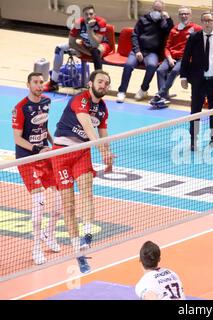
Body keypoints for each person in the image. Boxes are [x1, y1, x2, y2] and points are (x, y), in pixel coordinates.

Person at [51, 70, 114, 274]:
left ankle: (87, 236)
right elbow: (89, 131)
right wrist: (102, 152)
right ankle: (78, 251)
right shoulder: (81, 100)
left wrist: (108, 154)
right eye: (100, 81)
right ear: (90, 83)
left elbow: (103, 135)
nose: (104, 85)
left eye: (107, 83)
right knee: (68, 206)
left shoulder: (103, 109)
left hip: (81, 153)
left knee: (87, 191)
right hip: (62, 153)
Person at [12, 72, 62, 265]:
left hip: (45, 155)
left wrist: (54, 144)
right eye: (36, 82)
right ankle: (36, 248)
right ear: (28, 84)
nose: (40, 85)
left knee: (60, 199)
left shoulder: (47, 102)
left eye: (42, 82)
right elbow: (17, 139)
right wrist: (36, 148)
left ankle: (49, 234)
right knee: (39, 200)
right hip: (27, 158)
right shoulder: (20, 108)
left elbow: (43, 126)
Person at [180, 11, 213, 151]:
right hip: (198, 82)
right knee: (195, 112)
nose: (207, 23)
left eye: (210, 20)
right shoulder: (194, 37)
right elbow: (186, 58)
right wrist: (183, 77)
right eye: (205, 21)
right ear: (201, 23)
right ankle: (193, 141)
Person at [44, 4, 111, 92]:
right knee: (59, 48)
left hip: (102, 45)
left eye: (91, 14)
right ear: (83, 16)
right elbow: (71, 42)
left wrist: (89, 29)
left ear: (95, 15)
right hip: (85, 45)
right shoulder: (78, 23)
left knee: (95, 52)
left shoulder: (101, 22)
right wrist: (79, 50)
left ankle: (98, 85)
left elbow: (95, 44)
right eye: (86, 14)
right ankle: (53, 83)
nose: (89, 16)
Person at [116, 1, 173, 103]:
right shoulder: (143, 19)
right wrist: (137, 51)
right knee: (128, 65)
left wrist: (168, 18)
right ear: (152, 8)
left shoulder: (163, 23)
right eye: (155, 9)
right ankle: (122, 91)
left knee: (152, 66)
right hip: (137, 51)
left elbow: (170, 30)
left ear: (163, 11)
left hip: (152, 53)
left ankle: (143, 89)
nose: (157, 12)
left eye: (159, 10)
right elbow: (134, 35)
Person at [149, 6, 202, 108]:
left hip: (185, 59)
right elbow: (167, 47)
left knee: (174, 71)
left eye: (186, 14)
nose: (184, 16)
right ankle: (163, 98)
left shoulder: (197, 29)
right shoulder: (174, 29)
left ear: (190, 16)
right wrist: (169, 58)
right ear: (178, 16)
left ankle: (160, 94)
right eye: (182, 14)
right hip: (172, 57)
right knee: (160, 70)